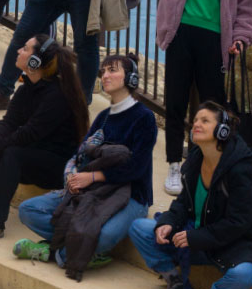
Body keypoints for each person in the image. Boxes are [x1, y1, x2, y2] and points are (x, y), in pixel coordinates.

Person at [138, 0, 252, 196]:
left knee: (211, 108)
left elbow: (245, 9)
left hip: (215, 42)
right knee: (175, 103)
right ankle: (174, 165)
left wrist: (241, 38)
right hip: (180, 35)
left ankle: (202, 164)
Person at [11, 52, 157, 274]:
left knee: (105, 235)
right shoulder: (104, 116)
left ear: (131, 78)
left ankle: (51, 251)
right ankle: (78, 251)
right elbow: (80, 154)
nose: (105, 76)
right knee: (28, 210)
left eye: (113, 70)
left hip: (131, 195)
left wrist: (94, 176)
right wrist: (72, 175)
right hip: (92, 192)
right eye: (104, 71)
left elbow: (137, 168)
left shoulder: (144, 118)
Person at [128, 101, 252, 289]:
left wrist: (195, 237)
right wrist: (168, 222)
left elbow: (239, 222)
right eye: (196, 120)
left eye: (205, 121)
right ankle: (175, 281)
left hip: (234, 243)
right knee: (139, 228)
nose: (196, 124)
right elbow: (183, 203)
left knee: (242, 275)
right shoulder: (196, 159)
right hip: (197, 237)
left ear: (222, 130)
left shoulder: (241, 168)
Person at [0, 35, 88, 240]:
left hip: (58, 166)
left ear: (35, 61)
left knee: (11, 153)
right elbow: (8, 123)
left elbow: (31, 132)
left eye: (25, 49)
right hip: (33, 155)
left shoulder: (57, 95)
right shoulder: (26, 89)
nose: (18, 51)